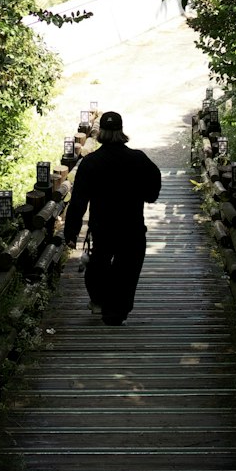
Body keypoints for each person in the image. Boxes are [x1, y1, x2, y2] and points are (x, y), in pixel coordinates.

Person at [63, 111, 161, 326]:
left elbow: (78, 201)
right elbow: (153, 187)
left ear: (100, 134)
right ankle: (116, 311)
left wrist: (70, 232)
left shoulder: (90, 163)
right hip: (132, 226)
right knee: (128, 269)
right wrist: (144, 194)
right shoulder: (138, 159)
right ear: (121, 131)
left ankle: (101, 301)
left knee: (99, 264)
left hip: (102, 227)